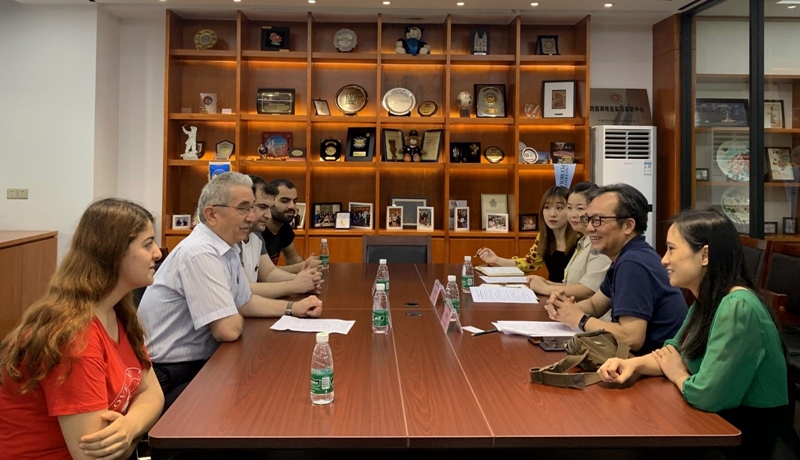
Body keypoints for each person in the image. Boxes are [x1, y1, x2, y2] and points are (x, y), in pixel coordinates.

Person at [599, 209, 800, 459]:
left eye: (671, 249)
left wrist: (677, 374)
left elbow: (707, 396)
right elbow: (673, 352)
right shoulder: (709, 299)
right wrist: (632, 364)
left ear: (704, 255)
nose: (664, 260)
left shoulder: (738, 306)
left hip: (747, 441)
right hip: (719, 425)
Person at [138, 172, 322, 412]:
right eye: (243, 208)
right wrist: (234, 309)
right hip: (170, 374)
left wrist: (293, 308)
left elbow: (244, 301)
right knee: (265, 402)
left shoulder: (228, 246)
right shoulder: (200, 253)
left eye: (252, 207)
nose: (252, 216)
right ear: (212, 214)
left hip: (200, 362)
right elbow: (228, 329)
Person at [0, 198, 165, 459]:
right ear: (114, 253)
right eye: (147, 244)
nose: (157, 253)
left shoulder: (117, 311)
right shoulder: (74, 335)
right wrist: (130, 435)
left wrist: (128, 428)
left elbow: (153, 393)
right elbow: (95, 456)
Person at [544, 183, 686, 355]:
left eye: (599, 220)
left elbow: (631, 338)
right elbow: (595, 305)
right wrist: (563, 308)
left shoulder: (634, 263)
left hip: (653, 366)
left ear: (628, 226)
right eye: (588, 220)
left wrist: (579, 319)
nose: (589, 228)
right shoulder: (626, 256)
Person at [527, 182, 611, 302]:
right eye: (569, 208)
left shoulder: (600, 243)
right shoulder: (583, 242)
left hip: (587, 312)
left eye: (580, 208)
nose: (573, 215)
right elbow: (572, 285)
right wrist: (547, 282)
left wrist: (545, 288)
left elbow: (589, 290)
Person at [242, 174, 323, 296]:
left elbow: (268, 273)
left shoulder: (255, 234)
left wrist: (305, 279)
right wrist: (295, 285)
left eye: (294, 201)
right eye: (262, 207)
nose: (268, 215)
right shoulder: (232, 238)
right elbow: (245, 291)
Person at [477, 186, 578, 281]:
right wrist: (496, 259)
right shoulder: (543, 237)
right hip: (550, 291)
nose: (552, 214)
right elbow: (529, 263)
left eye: (559, 208)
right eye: (547, 207)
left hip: (571, 291)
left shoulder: (581, 240)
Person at [262, 179, 321, 274]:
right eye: (285, 201)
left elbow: (292, 258)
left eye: (294, 201)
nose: (292, 206)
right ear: (269, 202)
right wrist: (304, 266)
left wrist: (309, 270)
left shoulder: (283, 225)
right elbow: (262, 272)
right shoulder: (257, 230)